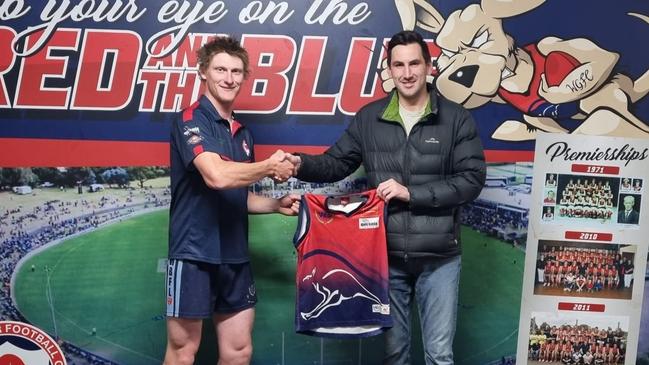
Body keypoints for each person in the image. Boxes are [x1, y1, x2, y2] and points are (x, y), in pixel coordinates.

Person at [286, 30, 486, 364]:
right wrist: (298, 164)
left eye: (414, 64)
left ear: (428, 66)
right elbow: (336, 163)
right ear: (389, 70)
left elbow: (472, 180)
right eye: (398, 65)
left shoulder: (456, 118)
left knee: (439, 354)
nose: (407, 73)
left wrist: (411, 193)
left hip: (439, 259)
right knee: (395, 354)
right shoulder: (369, 118)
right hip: (385, 258)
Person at [164, 36, 300, 365]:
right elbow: (217, 176)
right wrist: (269, 166)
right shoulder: (190, 120)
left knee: (239, 352)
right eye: (221, 69)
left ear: (244, 76)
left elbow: (237, 195)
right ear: (203, 73)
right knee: (183, 353)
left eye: (236, 71)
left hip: (235, 257)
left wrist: (273, 204)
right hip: (194, 253)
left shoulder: (243, 132)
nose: (229, 78)